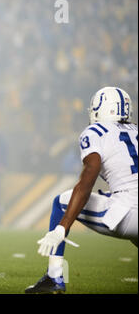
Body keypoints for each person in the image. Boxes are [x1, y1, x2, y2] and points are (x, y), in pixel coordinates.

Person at [25, 87, 138, 294]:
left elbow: (88, 179)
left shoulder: (95, 132)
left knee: (61, 201)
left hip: (127, 212)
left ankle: (54, 276)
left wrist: (62, 227)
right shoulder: (136, 131)